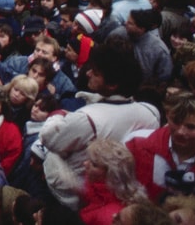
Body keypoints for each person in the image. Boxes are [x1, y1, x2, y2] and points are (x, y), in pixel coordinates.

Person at [39, 41, 160, 208]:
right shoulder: (150, 113)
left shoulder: (87, 119)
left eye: (95, 73)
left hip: (75, 198)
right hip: (118, 198)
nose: (88, 73)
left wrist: (57, 115)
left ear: (112, 84)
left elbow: (49, 138)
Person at [126, 92, 195, 201]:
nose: (180, 132)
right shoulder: (137, 142)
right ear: (167, 116)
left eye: (191, 127)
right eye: (176, 122)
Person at [78, 138, 148, 225]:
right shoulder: (94, 186)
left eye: (94, 164)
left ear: (111, 174)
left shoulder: (112, 217)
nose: (85, 163)